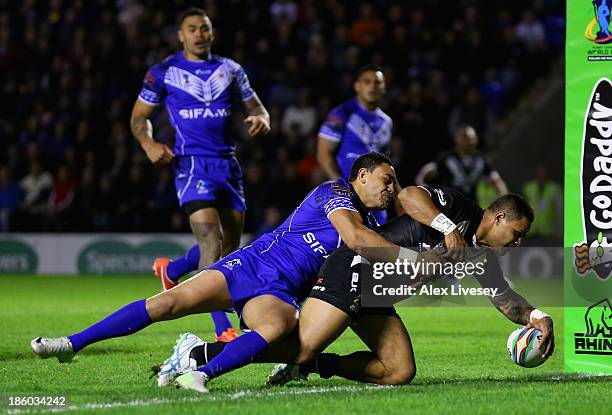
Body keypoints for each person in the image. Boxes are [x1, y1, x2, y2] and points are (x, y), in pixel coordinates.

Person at [31, 153, 413, 392]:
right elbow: (352, 236)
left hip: (280, 291)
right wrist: (413, 259)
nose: (391, 188)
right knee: (168, 303)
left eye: (394, 182)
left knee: (278, 327)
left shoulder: (370, 220)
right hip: (252, 264)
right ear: (361, 175)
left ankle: (200, 372)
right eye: (387, 179)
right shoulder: (336, 192)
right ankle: (71, 343)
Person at [166, 186, 554, 389]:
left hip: (377, 295)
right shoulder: (458, 208)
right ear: (500, 216)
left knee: (399, 371)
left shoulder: (481, 257)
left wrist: (538, 317)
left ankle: (315, 367)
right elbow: (407, 196)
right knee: (300, 345)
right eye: (516, 235)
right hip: (354, 269)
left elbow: (505, 300)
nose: (517, 244)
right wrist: (447, 226)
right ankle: (199, 353)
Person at [129, 8, 271, 341]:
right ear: (181, 35)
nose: (198, 34)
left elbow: (258, 108)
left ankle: (173, 268)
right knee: (211, 242)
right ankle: (224, 330)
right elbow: (138, 118)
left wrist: (262, 119)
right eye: (191, 29)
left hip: (228, 167)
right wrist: (148, 143)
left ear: (211, 33)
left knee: (231, 251)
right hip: (192, 165)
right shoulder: (164, 71)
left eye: (204, 29)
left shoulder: (230, 70)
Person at [317, 64, 395, 224]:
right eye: (367, 81)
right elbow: (323, 154)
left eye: (377, 82)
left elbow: (385, 163)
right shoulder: (341, 113)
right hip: (348, 196)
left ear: (384, 87)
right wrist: (341, 187)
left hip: (376, 200)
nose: (372, 86)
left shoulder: (387, 122)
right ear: (357, 86)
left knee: (378, 246)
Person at [415, 125, 508, 202]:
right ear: (456, 138)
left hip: (473, 208)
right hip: (449, 208)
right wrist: (429, 195)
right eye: (464, 137)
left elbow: (497, 181)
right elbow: (423, 176)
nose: (468, 141)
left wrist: (504, 200)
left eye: (471, 138)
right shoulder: (445, 159)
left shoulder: (481, 160)